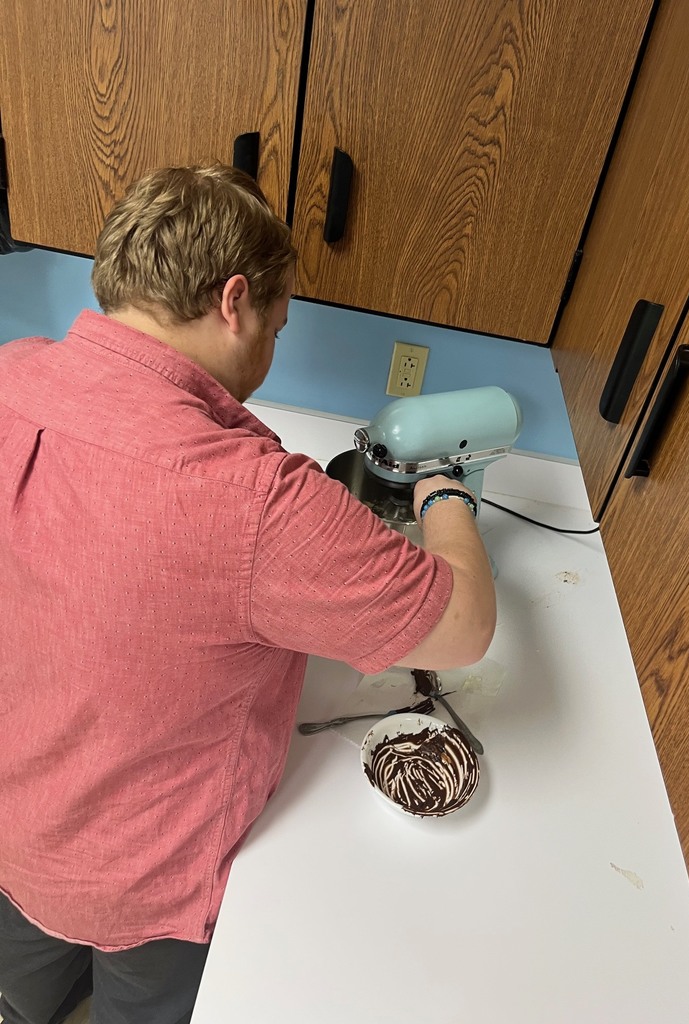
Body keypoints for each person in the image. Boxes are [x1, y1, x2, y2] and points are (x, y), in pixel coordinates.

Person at [0, 164, 496, 1024]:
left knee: (22, 988)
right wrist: (445, 496)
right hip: (145, 883)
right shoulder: (256, 500)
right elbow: (463, 628)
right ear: (235, 300)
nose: (272, 348)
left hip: (14, 827)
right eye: (279, 323)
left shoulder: (11, 374)